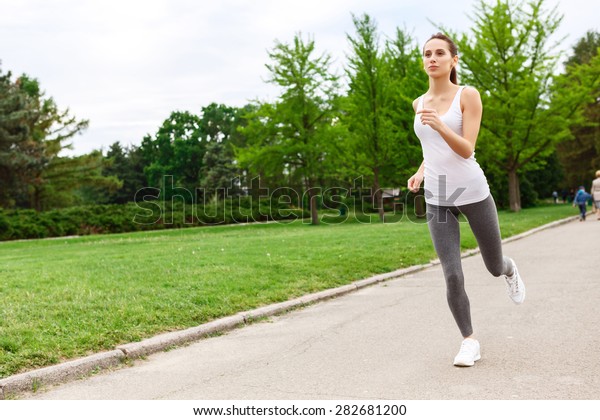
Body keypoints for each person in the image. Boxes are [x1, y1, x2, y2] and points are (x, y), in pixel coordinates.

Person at [407, 33, 525, 367]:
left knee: (492, 265)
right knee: (452, 273)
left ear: (453, 60)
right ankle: (468, 341)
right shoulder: (418, 103)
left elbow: (466, 148)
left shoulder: (468, 95)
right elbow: (431, 151)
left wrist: (441, 125)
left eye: (440, 53)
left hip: (473, 192)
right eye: (427, 54)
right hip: (438, 197)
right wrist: (421, 172)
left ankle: (509, 268)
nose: (432, 58)